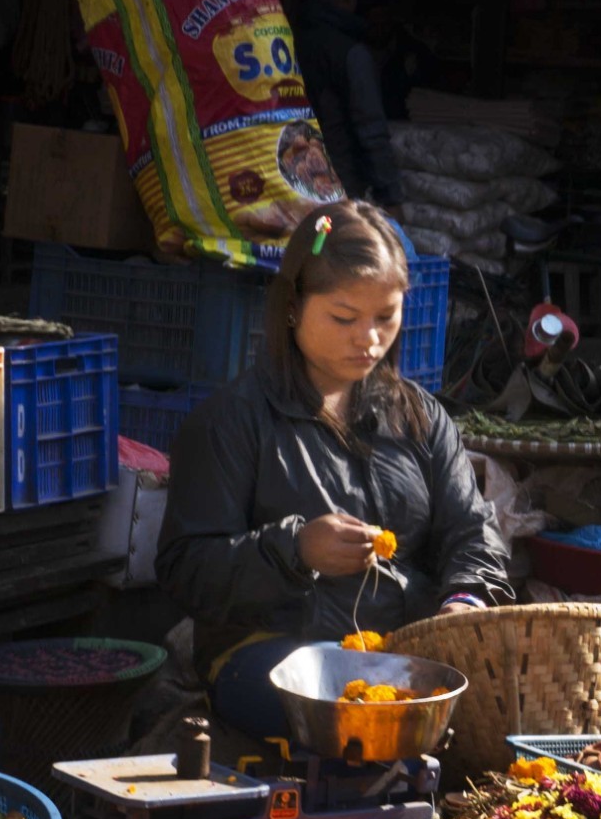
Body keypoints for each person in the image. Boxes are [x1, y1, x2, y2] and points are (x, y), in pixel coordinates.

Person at [156, 202, 509, 740]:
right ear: (294, 306)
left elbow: (472, 530)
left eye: (386, 317)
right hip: (277, 653)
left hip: (405, 648)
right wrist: (295, 551)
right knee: (346, 698)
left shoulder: (419, 414)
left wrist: (464, 601)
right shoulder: (230, 422)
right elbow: (186, 569)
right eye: (344, 318)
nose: (368, 339)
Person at [291, 0, 405, 214]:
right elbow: (371, 128)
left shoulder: (285, 42)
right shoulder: (350, 53)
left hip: (290, 179)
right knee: (334, 252)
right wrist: (390, 196)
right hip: (338, 184)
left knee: (302, 252)